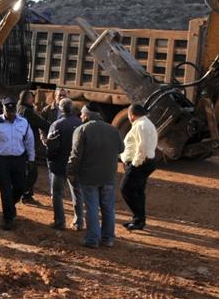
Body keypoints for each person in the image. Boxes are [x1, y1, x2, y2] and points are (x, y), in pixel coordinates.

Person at [66, 103, 124, 248]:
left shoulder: (82, 130)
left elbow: (76, 156)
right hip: (108, 176)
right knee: (108, 208)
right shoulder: (113, 129)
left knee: (92, 208)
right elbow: (121, 149)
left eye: (82, 114)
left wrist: (70, 171)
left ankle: (92, 240)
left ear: (86, 115)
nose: (80, 116)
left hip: (89, 176)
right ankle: (108, 239)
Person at [0, 97, 34, 230]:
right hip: (1, 160)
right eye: (8, 110)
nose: (10, 114)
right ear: (3, 109)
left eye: (12, 111)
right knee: (5, 190)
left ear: (16, 110)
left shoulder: (23, 122)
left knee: (20, 187)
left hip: (19, 159)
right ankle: (8, 218)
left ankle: (10, 206)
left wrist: (31, 159)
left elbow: (29, 141)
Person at [45, 98, 83, 230]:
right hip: (75, 165)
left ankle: (60, 221)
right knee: (77, 192)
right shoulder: (80, 124)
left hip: (60, 165)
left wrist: (51, 160)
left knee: (57, 193)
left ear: (60, 109)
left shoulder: (56, 125)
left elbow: (51, 146)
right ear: (72, 108)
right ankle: (79, 222)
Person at [120, 103, 158, 231]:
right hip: (145, 162)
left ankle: (138, 219)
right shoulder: (145, 123)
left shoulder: (141, 125)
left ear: (132, 115)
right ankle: (138, 221)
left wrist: (135, 164)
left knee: (126, 189)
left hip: (140, 163)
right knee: (138, 191)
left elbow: (142, 147)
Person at [16, 89, 49, 206]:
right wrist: (55, 127)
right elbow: (42, 123)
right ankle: (25, 195)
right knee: (32, 173)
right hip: (28, 146)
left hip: (20, 145)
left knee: (26, 171)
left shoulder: (19, 108)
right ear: (26, 99)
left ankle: (24, 194)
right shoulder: (27, 111)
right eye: (31, 97)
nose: (33, 99)